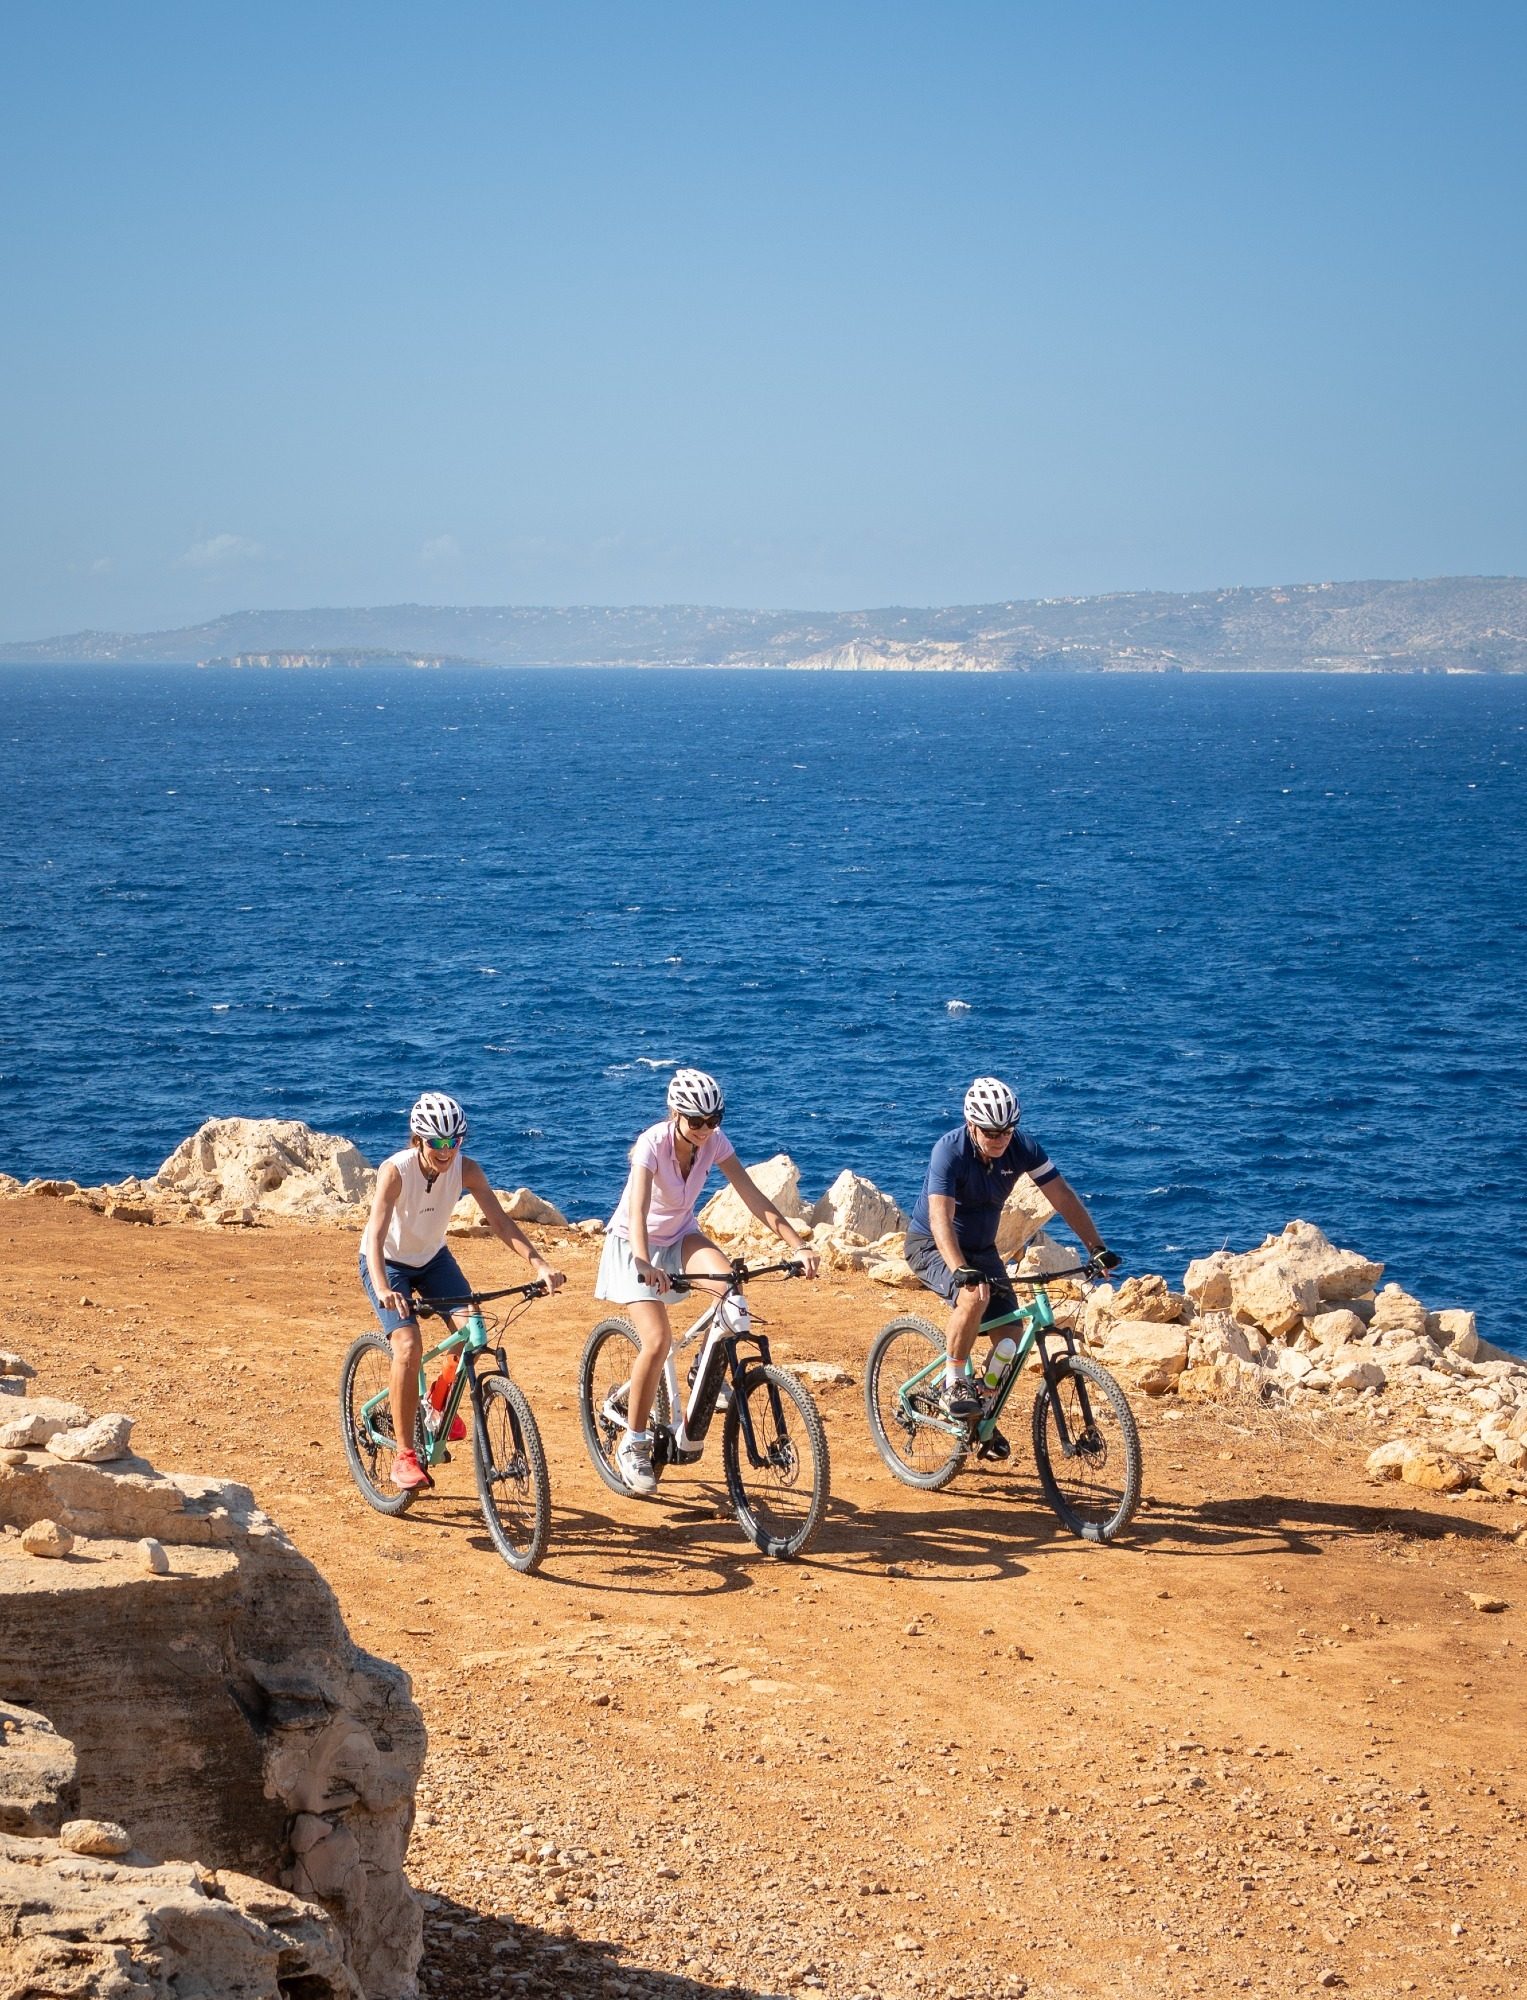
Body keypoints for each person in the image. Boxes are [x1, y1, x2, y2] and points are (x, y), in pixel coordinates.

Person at [595, 1066, 818, 1495]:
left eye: (713, 1120)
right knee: (658, 1341)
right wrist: (643, 1263)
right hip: (633, 1247)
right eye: (695, 1121)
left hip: (680, 1237)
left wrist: (797, 1244)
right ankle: (634, 1442)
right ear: (673, 1114)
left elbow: (752, 1196)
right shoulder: (651, 1145)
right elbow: (638, 1210)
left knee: (732, 1295)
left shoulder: (713, 1142)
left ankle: (705, 1373)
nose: (704, 1129)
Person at [359, 1091, 565, 1491]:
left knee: (473, 1330)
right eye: (437, 1142)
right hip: (388, 1262)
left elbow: (502, 1224)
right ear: (418, 1139)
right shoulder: (396, 1171)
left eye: (454, 1142)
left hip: (434, 1260)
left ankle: (436, 1402)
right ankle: (404, 1456)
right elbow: (375, 1234)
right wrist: (383, 1286)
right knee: (407, 1346)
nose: (446, 1151)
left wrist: (539, 1264)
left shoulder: (467, 1170)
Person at [903, 1075, 1117, 1422]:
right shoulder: (949, 1151)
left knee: (1010, 1340)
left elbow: (1061, 1195)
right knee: (973, 1297)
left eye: (1008, 1130)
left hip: (982, 1249)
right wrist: (960, 1269)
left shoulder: (1022, 1147)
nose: (1001, 1139)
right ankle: (953, 1382)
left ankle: (978, 1411)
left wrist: (1096, 1247)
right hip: (931, 1244)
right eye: (991, 1132)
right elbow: (940, 1217)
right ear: (972, 1125)